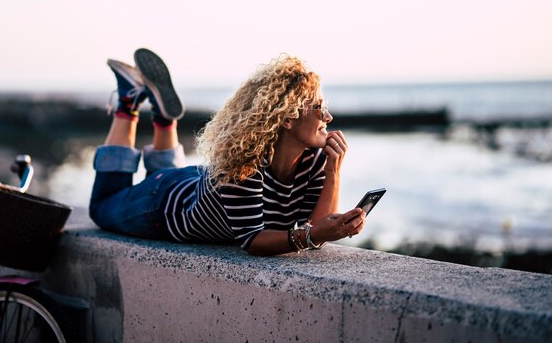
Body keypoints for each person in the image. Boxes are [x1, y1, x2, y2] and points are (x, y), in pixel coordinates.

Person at [89, 48, 366, 256]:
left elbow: (315, 230)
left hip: (196, 183)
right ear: (288, 118)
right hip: (162, 204)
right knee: (101, 206)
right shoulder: (244, 162)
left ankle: (163, 117)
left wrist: (333, 172)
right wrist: (311, 235)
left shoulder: (315, 158)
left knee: (164, 176)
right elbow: (253, 240)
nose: (328, 116)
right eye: (318, 108)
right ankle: (128, 102)